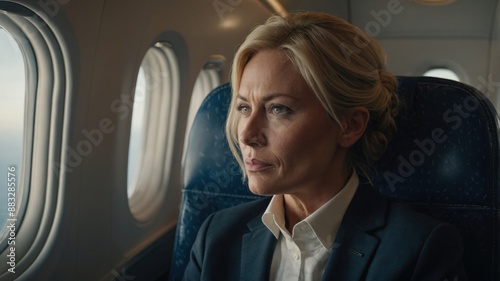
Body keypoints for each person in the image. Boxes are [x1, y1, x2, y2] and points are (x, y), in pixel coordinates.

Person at [183, 11, 466, 281]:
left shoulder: (418, 250)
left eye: (278, 109)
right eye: (244, 107)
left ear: (350, 125)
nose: (246, 134)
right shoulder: (215, 237)